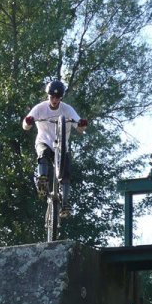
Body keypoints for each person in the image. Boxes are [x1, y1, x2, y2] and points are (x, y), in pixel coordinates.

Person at [22, 80, 88, 216]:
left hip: (61, 146)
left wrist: (82, 124)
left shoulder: (67, 109)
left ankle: (65, 203)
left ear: (61, 97)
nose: (55, 100)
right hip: (44, 141)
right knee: (43, 152)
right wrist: (28, 122)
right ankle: (42, 178)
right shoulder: (40, 108)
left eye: (58, 97)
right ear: (48, 95)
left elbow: (80, 128)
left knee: (66, 173)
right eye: (52, 96)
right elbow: (26, 125)